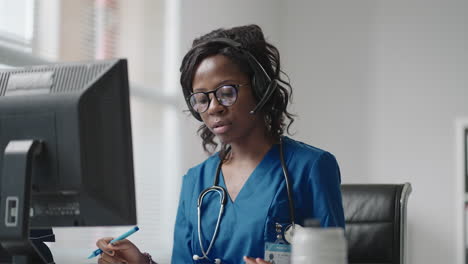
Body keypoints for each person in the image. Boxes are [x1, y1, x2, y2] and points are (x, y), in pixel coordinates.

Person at [96, 24, 345, 264]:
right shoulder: (196, 180)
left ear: (260, 88)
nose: (214, 107)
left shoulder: (311, 167)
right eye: (201, 99)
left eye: (226, 92)